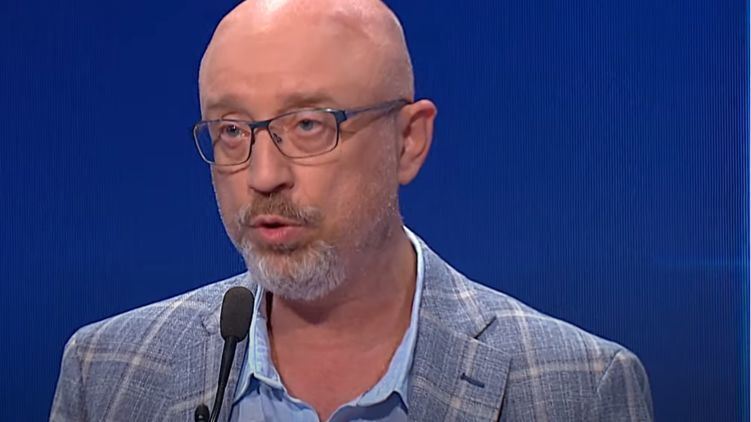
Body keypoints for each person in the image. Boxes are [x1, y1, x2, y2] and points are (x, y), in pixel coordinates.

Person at [50, 0, 653, 420]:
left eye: (309, 124)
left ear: (408, 141)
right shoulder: (105, 373)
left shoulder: (581, 389)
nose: (263, 175)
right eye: (232, 130)